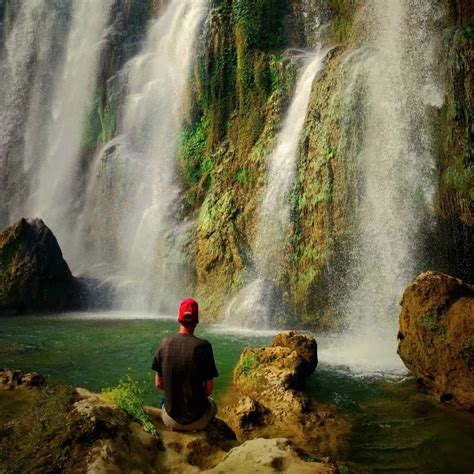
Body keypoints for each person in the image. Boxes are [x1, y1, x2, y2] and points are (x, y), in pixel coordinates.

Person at [151, 298, 218, 431]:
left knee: (163, 401)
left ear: (178, 318)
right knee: (213, 404)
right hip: (198, 421)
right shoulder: (204, 347)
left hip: (169, 420)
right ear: (197, 321)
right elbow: (208, 390)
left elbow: (158, 384)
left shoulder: (164, 343)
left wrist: (176, 394)